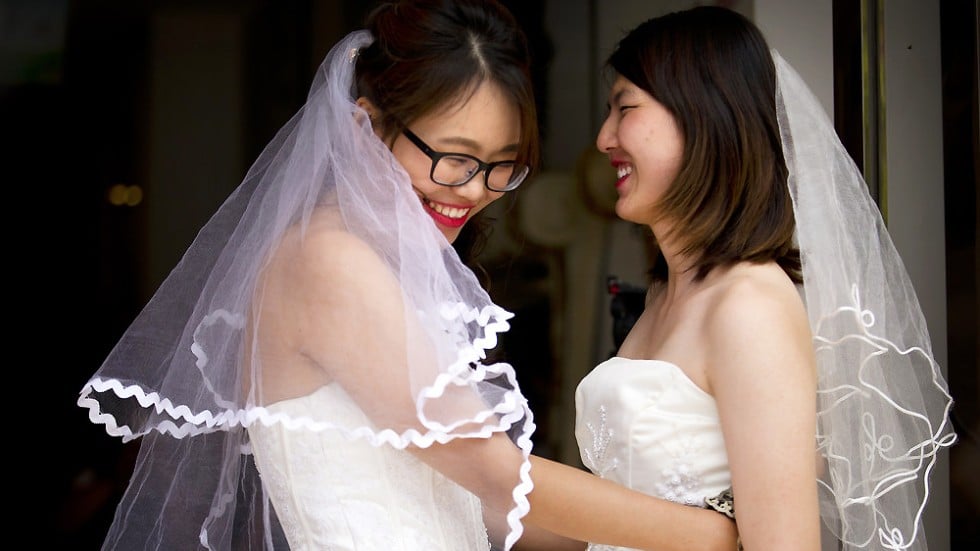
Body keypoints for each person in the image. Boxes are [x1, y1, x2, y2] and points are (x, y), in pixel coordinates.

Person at [77, 1, 741, 550]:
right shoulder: (326, 258)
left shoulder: (377, 261)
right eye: (455, 158)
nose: (476, 191)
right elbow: (492, 470)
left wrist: (633, 532)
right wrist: (712, 535)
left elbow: (481, 508)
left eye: (502, 165)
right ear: (366, 126)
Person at [576, 6, 956, 551]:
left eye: (625, 108)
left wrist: (509, 474)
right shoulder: (668, 293)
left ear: (704, 115)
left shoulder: (748, 303)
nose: (604, 137)